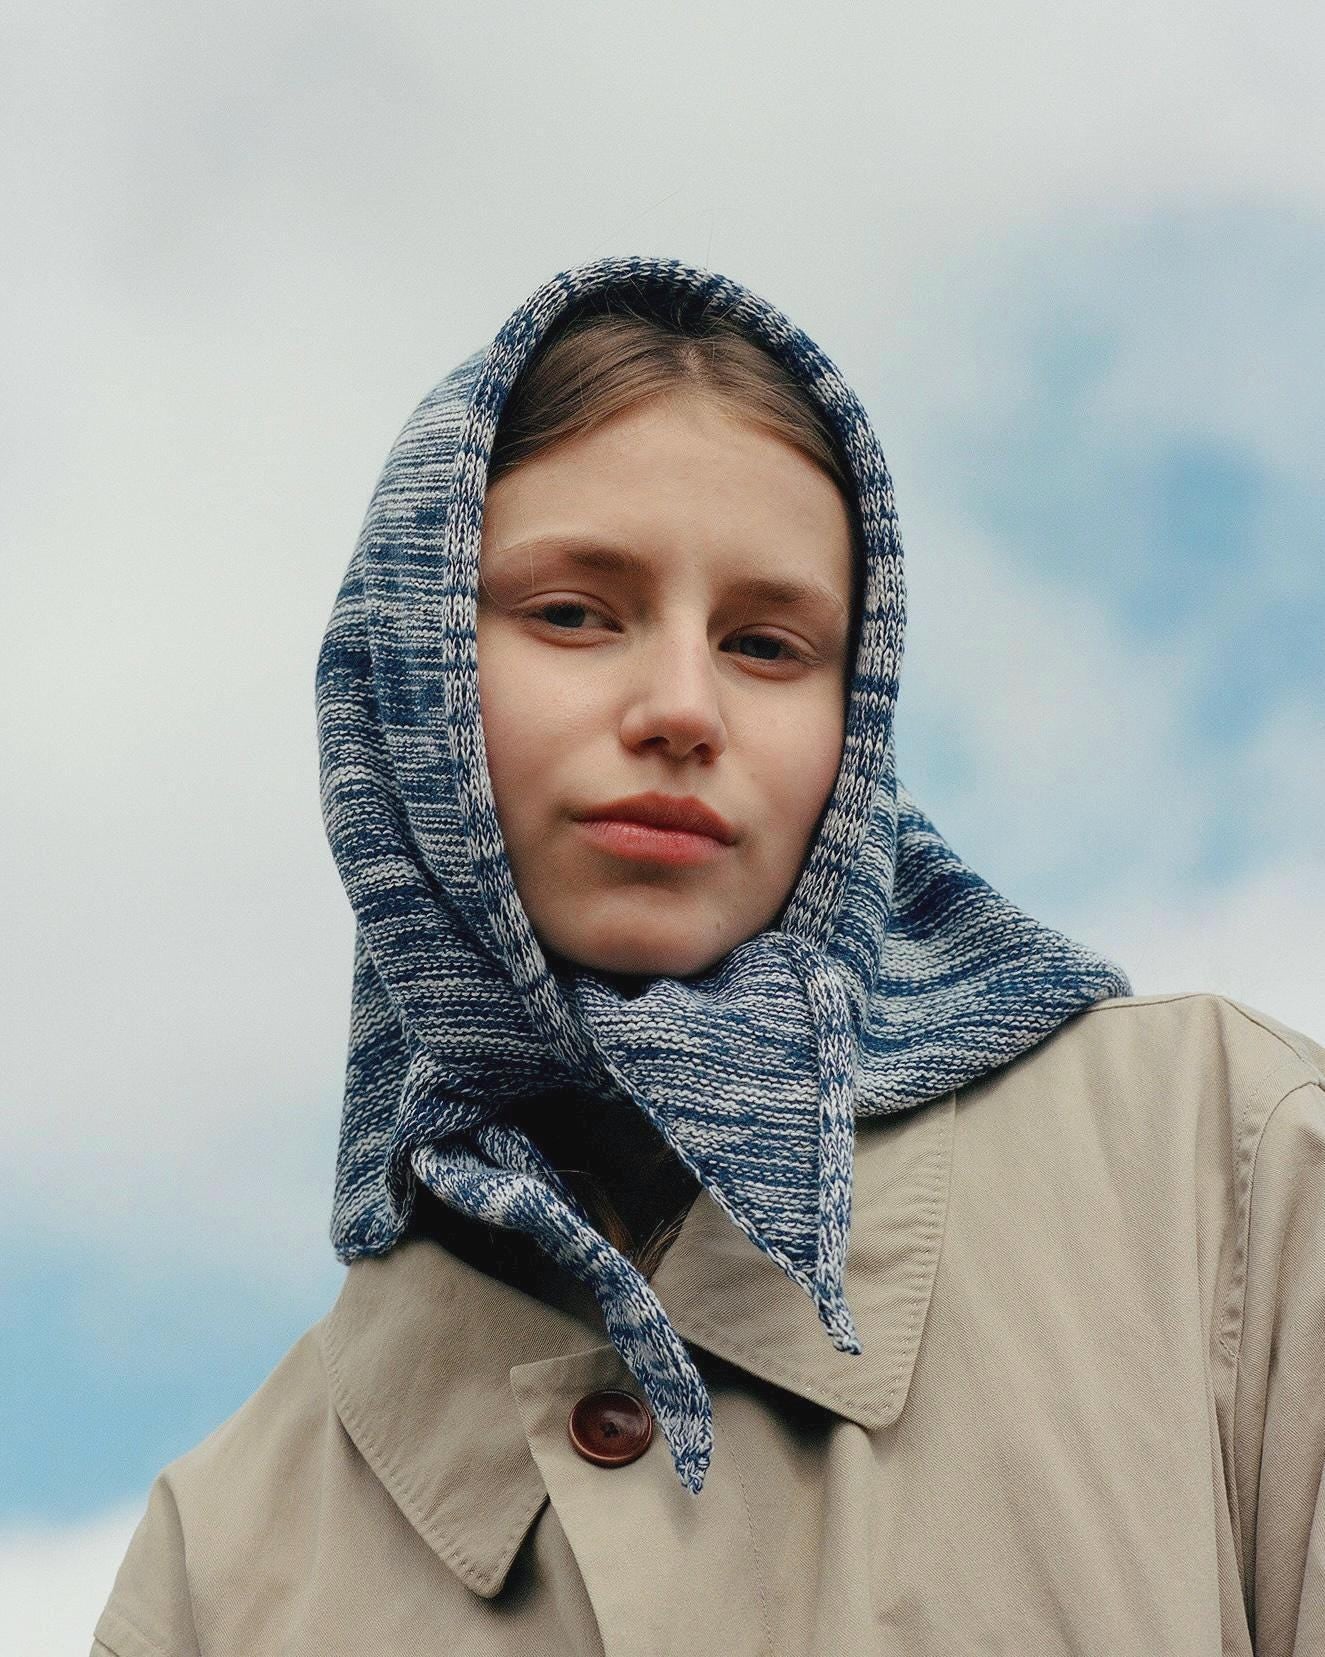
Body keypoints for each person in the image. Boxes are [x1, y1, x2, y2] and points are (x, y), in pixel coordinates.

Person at [93, 255, 1324, 1656]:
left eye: (766, 643)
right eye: (572, 611)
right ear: (409, 670)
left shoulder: (1226, 1167)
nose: (682, 707)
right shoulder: (225, 1556)